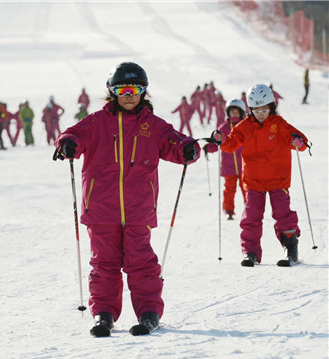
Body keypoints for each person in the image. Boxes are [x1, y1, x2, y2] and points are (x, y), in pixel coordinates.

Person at [52, 62, 200, 337]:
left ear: (144, 92)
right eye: (122, 89)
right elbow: (74, 134)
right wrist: (67, 142)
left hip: (139, 209)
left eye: (134, 89)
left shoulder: (153, 126)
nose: (128, 95)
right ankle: (103, 314)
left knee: (141, 262)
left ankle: (148, 312)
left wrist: (188, 148)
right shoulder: (97, 122)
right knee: (104, 263)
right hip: (101, 208)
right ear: (112, 92)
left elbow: (175, 144)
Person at [220, 84, 308, 267]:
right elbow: (230, 145)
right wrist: (221, 139)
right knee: (251, 217)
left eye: (264, 110)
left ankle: (290, 248)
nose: (261, 114)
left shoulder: (280, 125)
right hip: (253, 181)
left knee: (283, 214)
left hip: (278, 180)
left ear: (271, 107)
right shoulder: (244, 127)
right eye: (257, 110)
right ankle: (250, 252)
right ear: (251, 110)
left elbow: (302, 142)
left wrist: (297, 141)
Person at [205, 99, 246, 220]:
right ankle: (229, 210)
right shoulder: (223, 127)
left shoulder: (244, 126)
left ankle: (250, 207)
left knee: (246, 188)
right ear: (228, 113)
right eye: (232, 112)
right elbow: (216, 143)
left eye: (236, 112)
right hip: (228, 166)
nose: (234, 114)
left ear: (241, 113)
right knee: (229, 189)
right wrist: (209, 147)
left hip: (244, 165)